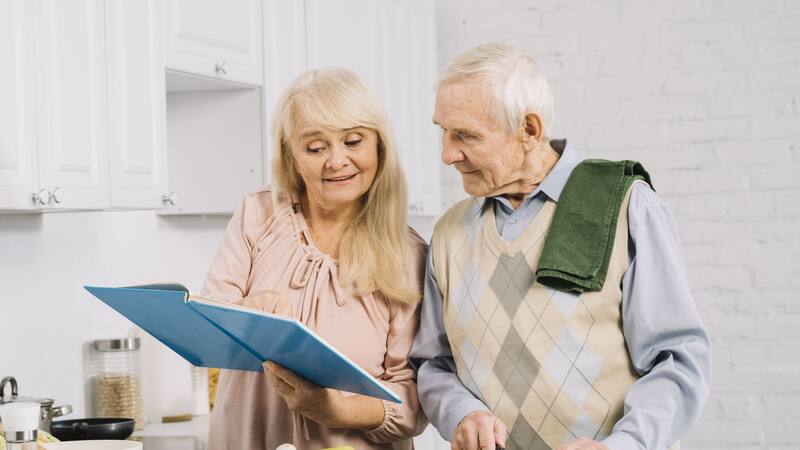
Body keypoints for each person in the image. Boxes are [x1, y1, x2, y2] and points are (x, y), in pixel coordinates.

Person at [409, 43, 711, 450]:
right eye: (442, 131)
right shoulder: (449, 232)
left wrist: (624, 445)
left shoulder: (624, 205)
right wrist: (461, 411)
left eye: (466, 135)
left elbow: (676, 357)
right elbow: (434, 363)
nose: (447, 154)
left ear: (529, 130)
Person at [202, 68, 427, 450]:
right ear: (292, 156)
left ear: (379, 147)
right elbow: (206, 326)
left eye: (353, 141)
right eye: (315, 148)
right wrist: (247, 311)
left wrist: (336, 410)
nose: (337, 161)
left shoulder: (409, 255)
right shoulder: (258, 214)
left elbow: (414, 403)